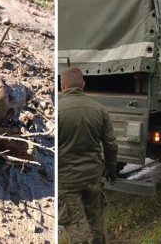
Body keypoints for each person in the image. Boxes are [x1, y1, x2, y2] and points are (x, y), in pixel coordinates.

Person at [58, 67, 118, 244]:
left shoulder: (58, 111)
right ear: (83, 85)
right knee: (96, 224)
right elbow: (111, 145)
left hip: (67, 181)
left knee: (77, 229)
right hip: (92, 177)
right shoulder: (99, 110)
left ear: (63, 86)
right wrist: (111, 170)